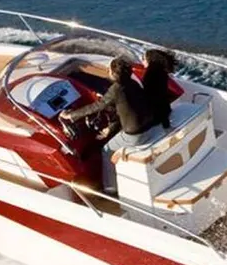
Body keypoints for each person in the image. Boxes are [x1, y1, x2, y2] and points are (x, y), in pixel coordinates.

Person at [59, 57, 161, 193]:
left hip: (136, 135)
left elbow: (97, 106)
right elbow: (124, 110)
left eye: (110, 69)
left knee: (107, 150)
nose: (108, 71)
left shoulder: (116, 89)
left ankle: (110, 189)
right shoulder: (133, 84)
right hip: (149, 127)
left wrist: (70, 115)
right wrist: (110, 128)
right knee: (113, 138)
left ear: (113, 73)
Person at [142, 48, 176, 129]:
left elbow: (151, 98)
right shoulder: (161, 72)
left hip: (155, 116)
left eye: (143, 59)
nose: (142, 61)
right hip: (165, 111)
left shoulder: (149, 75)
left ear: (150, 60)